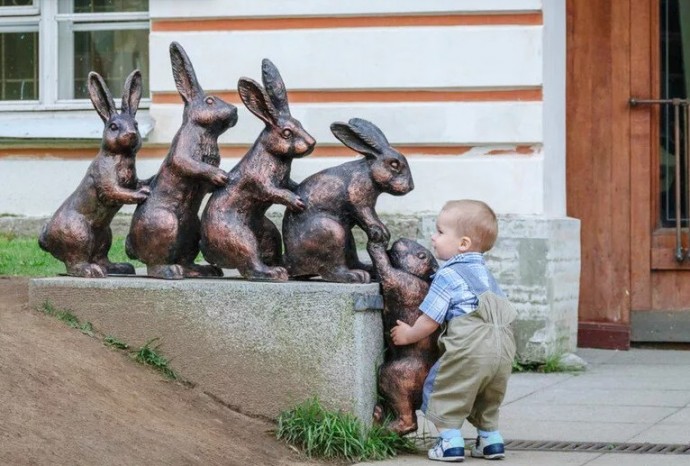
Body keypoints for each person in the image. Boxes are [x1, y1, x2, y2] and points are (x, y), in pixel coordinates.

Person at [390, 199, 517, 462]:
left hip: (470, 345)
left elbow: (431, 319)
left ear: (463, 244)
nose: (433, 238)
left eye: (440, 232)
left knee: (443, 386)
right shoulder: (485, 274)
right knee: (487, 392)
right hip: (503, 347)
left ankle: (450, 442)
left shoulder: (448, 275)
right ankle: (491, 440)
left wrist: (408, 334)